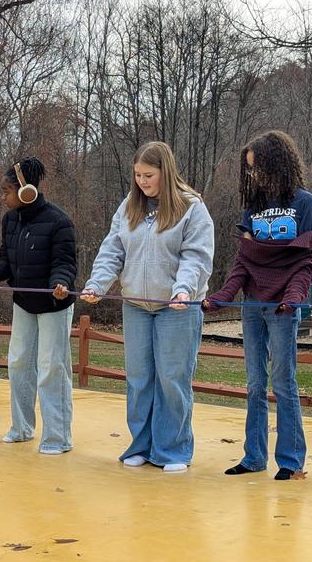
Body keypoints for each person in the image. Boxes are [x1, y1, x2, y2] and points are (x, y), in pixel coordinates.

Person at [82, 141, 214, 472]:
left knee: (172, 377)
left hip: (177, 308)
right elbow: (113, 249)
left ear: (165, 173)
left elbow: (195, 256)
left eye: (149, 175)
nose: (142, 181)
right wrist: (98, 284)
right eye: (138, 175)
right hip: (136, 305)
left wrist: (184, 290)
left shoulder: (191, 207)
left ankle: (172, 450)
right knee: (139, 377)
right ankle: (141, 445)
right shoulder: (130, 206)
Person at [203, 131, 312, 480]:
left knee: (284, 383)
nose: (253, 175)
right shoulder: (251, 208)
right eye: (249, 170)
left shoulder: (305, 204)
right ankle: (254, 456)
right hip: (253, 304)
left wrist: (294, 296)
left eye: (259, 168)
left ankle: (291, 460)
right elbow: (245, 263)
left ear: (279, 163)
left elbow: (303, 262)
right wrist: (223, 296)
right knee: (255, 383)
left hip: (285, 305)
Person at [0, 157, 77, 454]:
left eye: (6, 191)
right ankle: (22, 428)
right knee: (17, 363)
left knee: (51, 367)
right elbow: (5, 263)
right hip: (24, 303)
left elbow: (65, 263)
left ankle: (58, 437)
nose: (2, 197)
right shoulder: (10, 220)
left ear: (27, 191)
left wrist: (61, 283)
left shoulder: (59, 221)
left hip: (55, 304)